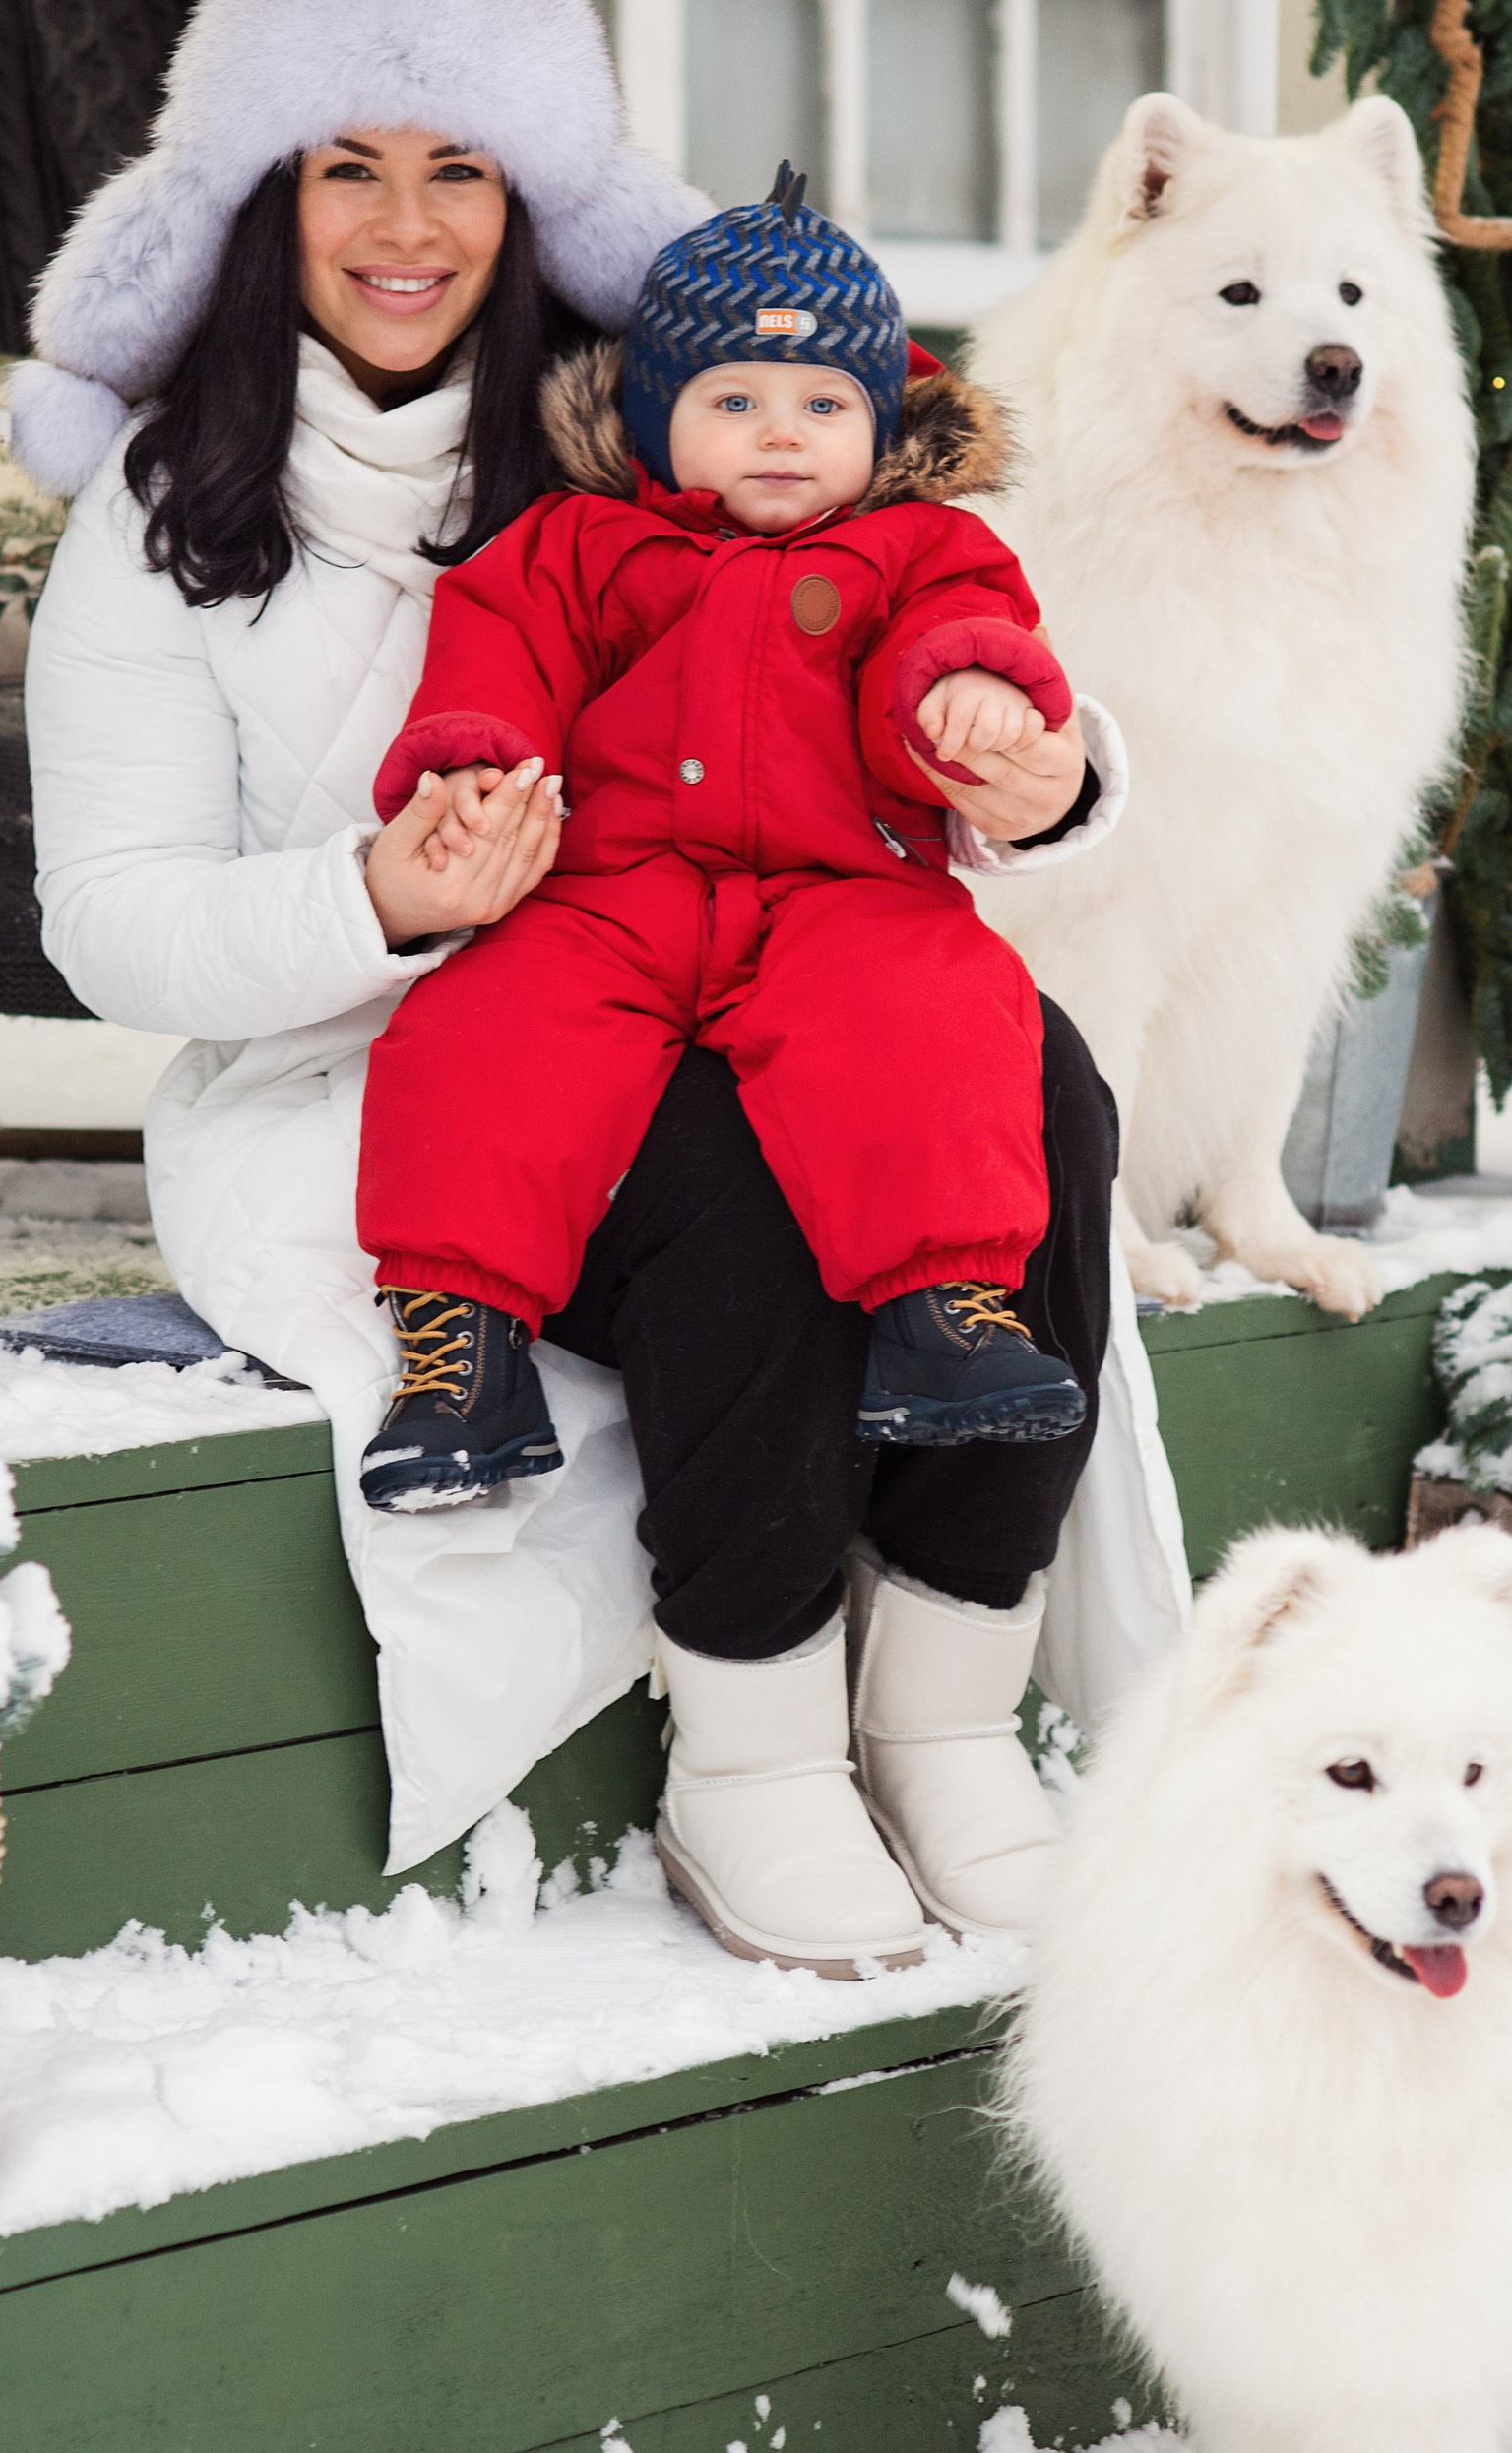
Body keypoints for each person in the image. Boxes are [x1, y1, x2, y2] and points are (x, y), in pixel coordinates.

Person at [16, 0, 1180, 1981]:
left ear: (532, 192)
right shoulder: (163, 515)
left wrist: (1044, 765)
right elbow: (109, 921)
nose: (402, 222)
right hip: (389, 1053)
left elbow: (924, 613)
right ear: (255, 204)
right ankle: (745, 1743)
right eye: (343, 166)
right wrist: (383, 895)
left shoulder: (662, 418)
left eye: (458, 166)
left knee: (1046, 1104)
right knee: (731, 1189)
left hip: (770, 954)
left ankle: (940, 1704)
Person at [355, 172, 1092, 1524]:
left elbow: (967, 630)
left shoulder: (918, 547)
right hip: (607, 895)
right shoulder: (580, 545)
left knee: (941, 1013)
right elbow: (498, 651)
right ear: (656, 419)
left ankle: (946, 1310)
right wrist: (470, 763)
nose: (780, 436)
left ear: (879, 426)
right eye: (735, 401)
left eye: (824, 407)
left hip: (841, 888)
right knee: (475, 1040)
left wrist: (969, 687)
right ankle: (460, 1355)